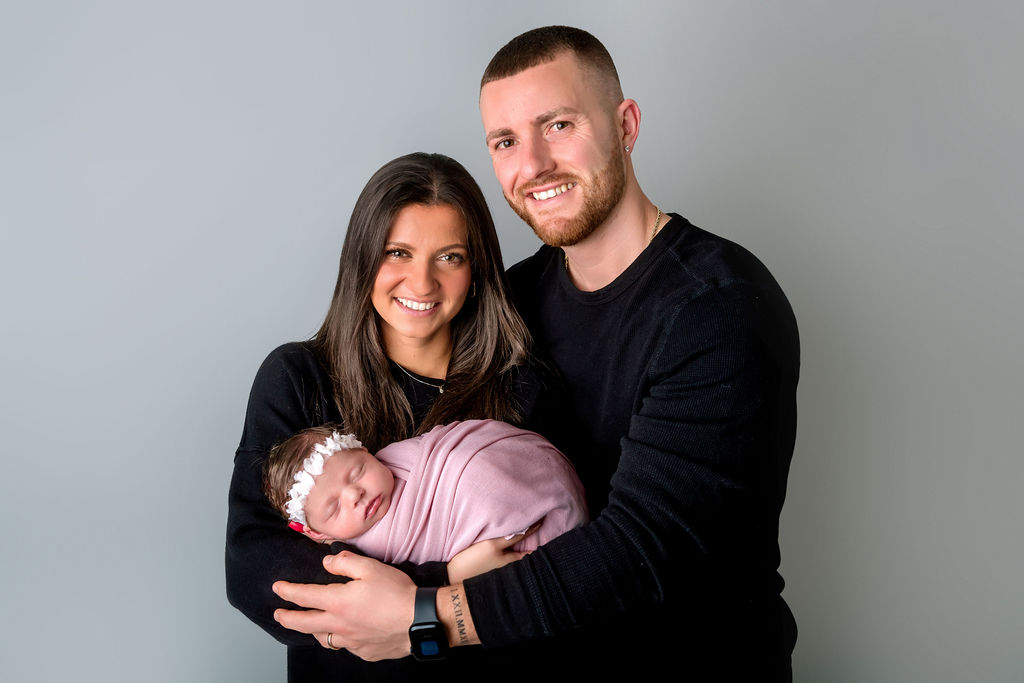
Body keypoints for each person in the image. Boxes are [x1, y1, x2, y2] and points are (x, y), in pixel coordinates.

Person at [271, 26, 800, 680]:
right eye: (506, 141)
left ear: (626, 124)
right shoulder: (514, 301)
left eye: (558, 125)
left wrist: (425, 615)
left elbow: (638, 548)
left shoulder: (716, 306)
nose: (535, 164)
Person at [225, 152, 562, 679]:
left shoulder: (523, 387)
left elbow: (556, 562)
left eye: (449, 257)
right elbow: (256, 570)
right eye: (397, 252)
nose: (422, 283)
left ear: (476, 270)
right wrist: (438, 590)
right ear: (362, 260)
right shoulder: (298, 380)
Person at [264, 420, 587, 563]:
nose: (354, 495)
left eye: (357, 472)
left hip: (535, 472)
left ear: (366, 451)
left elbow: (456, 446)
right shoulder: (368, 555)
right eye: (334, 508)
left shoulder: (403, 455)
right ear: (318, 534)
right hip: (516, 550)